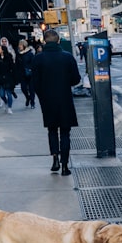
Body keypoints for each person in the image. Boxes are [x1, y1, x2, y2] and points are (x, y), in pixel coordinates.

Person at [30, 29, 81, 176]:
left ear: (44, 41)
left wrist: (42, 96)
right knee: (65, 132)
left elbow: (35, 83)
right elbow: (76, 79)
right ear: (58, 41)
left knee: (52, 130)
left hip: (48, 101)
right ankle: (65, 165)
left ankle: (55, 159)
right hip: (64, 99)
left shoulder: (38, 59)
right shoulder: (67, 57)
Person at [0, 44, 16, 114]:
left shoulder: (9, 57)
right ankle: (6, 102)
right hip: (0, 78)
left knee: (9, 94)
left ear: (2, 50)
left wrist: (13, 77)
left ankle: (10, 107)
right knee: (1, 94)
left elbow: (12, 67)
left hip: (8, 78)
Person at [17, 39, 36, 108]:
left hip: (30, 73)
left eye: (21, 45)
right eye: (19, 45)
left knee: (31, 89)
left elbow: (33, 63)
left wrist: (30, 69)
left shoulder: (30, 53)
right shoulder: (18, 54)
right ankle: (28, 98)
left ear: (24, 45)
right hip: (22, 74)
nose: (19, 46)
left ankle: (32, 102)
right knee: (23, 88)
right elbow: (17, 64)